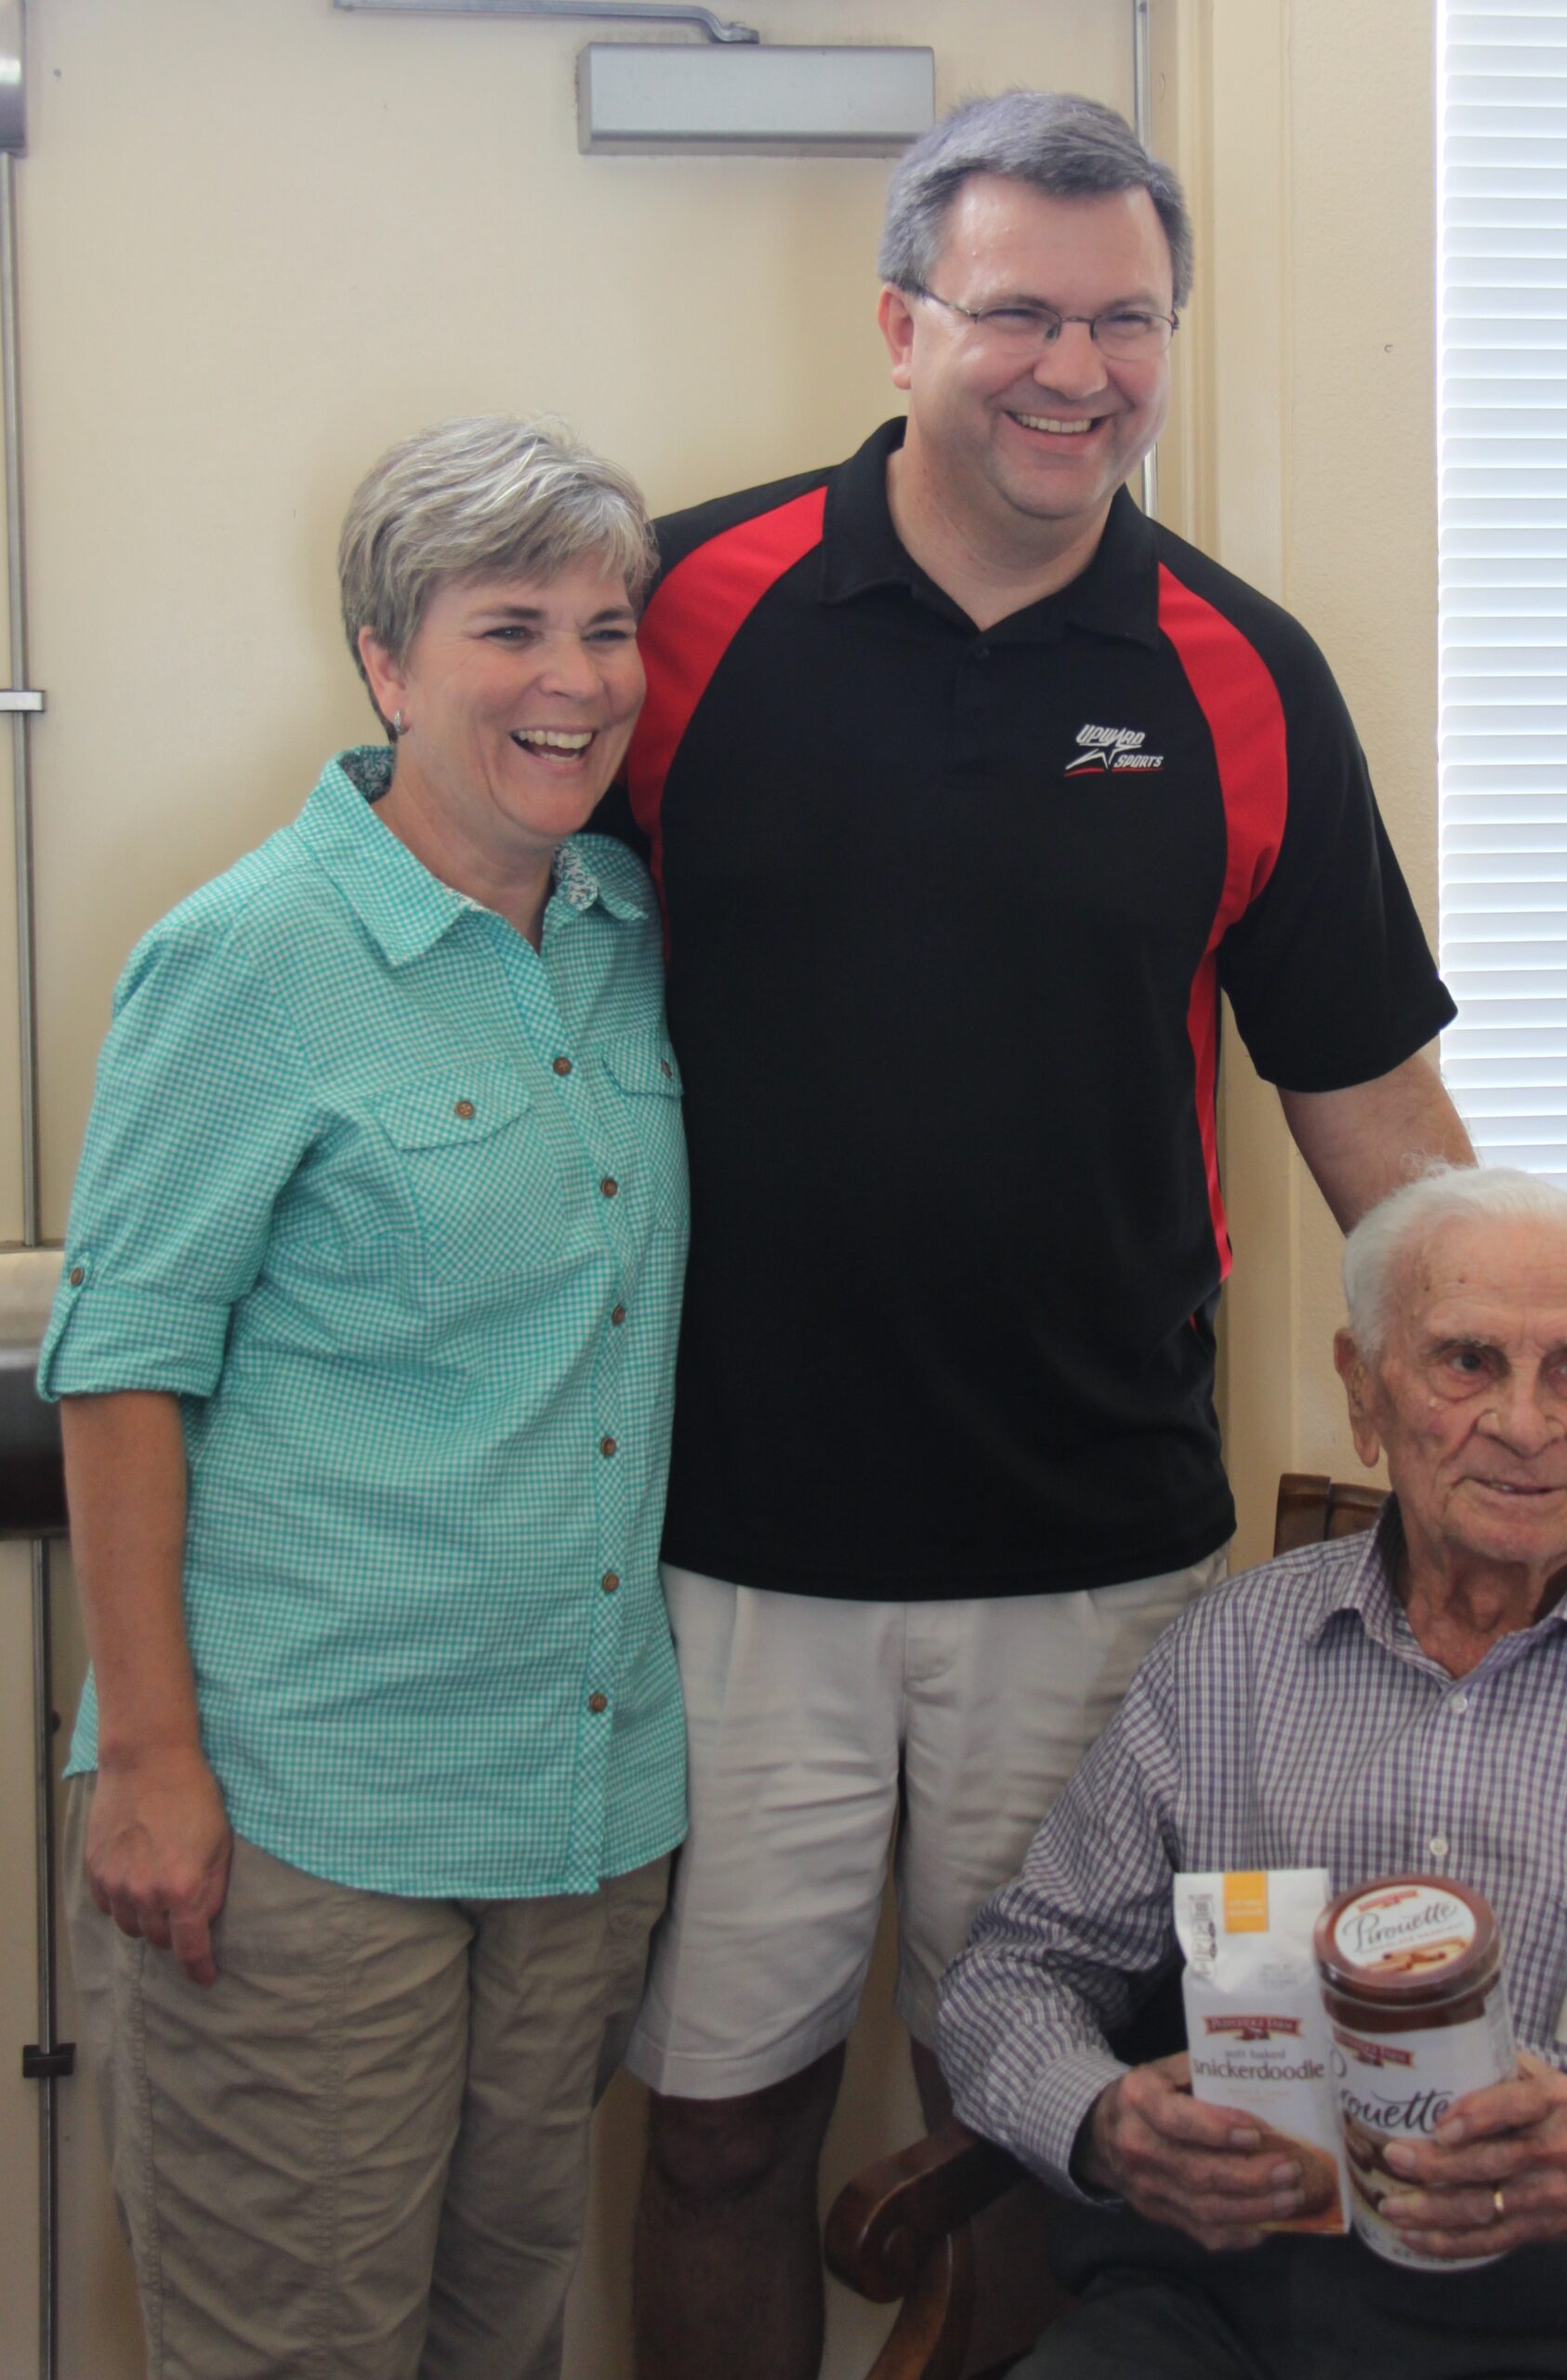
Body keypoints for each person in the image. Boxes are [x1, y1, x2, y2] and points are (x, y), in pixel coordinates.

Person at [598, 92, 1567, 2379]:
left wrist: (1546, 1425)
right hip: (721, 1540)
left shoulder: (1237, 668)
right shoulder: (687, 615)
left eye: (1128, 320)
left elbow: (1377, 1119)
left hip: (1092, 1552)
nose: (1073, 366)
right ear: (902, 318)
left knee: (1063, 2127)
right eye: (1018, 309)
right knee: (721, 2129)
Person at [45, 415, 690, 2380]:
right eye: (511, 627)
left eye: (609, 625)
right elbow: (123, 1365)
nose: (575, 681)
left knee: (500, 2333)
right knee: (300, 2346)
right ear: (387, 662)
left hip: (580, 1803)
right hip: (302, 1806)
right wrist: (153, 1762)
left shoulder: (628, 940)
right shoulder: (251, 954)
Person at [939, 1164, 1567, 2379]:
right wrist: (1099, 2122)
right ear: (1363, 1394)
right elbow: (1009, 1976)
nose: (1524, 1423)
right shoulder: (1230, 1660)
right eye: (1466, 1362)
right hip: (1225, 2308)